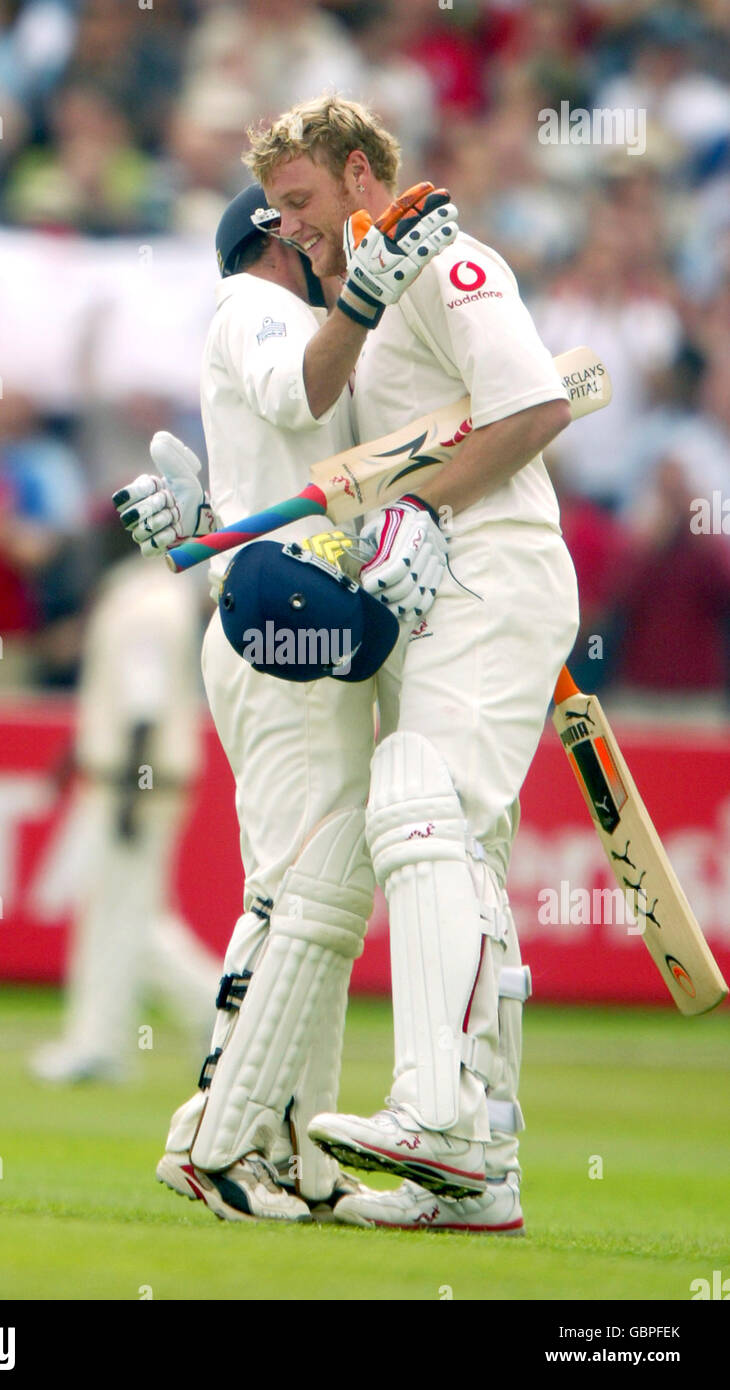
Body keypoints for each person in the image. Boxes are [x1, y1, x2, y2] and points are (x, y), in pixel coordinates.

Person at [243, 94, 579, 1232]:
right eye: (276, 213)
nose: (286, 227)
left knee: (419, 804)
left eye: (299, 203)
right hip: (435, 580)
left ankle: (431, 1110)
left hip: (494, 561)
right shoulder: (358, 303)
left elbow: (533, 404)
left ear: (355, 173)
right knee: (457, 850)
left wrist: (424, 509)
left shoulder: (449, 260)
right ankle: (479, 1168)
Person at [113, 181, 455, 1221]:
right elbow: (297, 395)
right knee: (304, 896)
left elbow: (301, 459)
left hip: (285, 615)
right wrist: (359, 305)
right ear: (272, 240)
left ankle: (294, 1153)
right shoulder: (258, 304)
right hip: (281, 626)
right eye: (303, 227)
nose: (325, 242)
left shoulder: (288, 316)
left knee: (315, 899)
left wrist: (211, 508)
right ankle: (214, 1143)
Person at [30, 551, 221, 1084]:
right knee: (126, 912)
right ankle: (120, 1035)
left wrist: (132, 798)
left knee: (121, 914)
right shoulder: (152, 598)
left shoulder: (145, 606)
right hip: (133, 777)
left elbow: (145, 705)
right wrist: (77, 754)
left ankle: (107, 1041)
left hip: (135, 782)